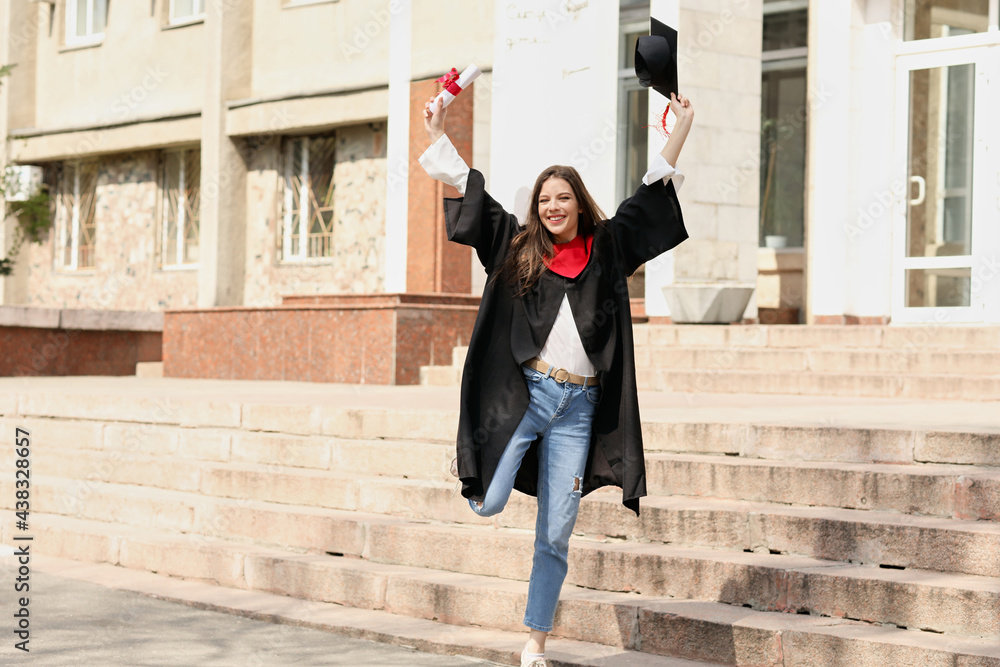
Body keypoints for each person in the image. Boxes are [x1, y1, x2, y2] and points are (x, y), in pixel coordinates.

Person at [419, 92, 693, 667]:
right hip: (529, 398)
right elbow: (477, 198)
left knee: (556, 533)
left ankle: (534, 642)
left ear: (579, 204)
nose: (552, 207)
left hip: (580, 409)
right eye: (544, 199)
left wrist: (680, 128)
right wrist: (439, 133)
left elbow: (649, 199)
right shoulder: (521, 251)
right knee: (489, 504)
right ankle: (472, 460)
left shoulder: (608, 249)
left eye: (562, 198)